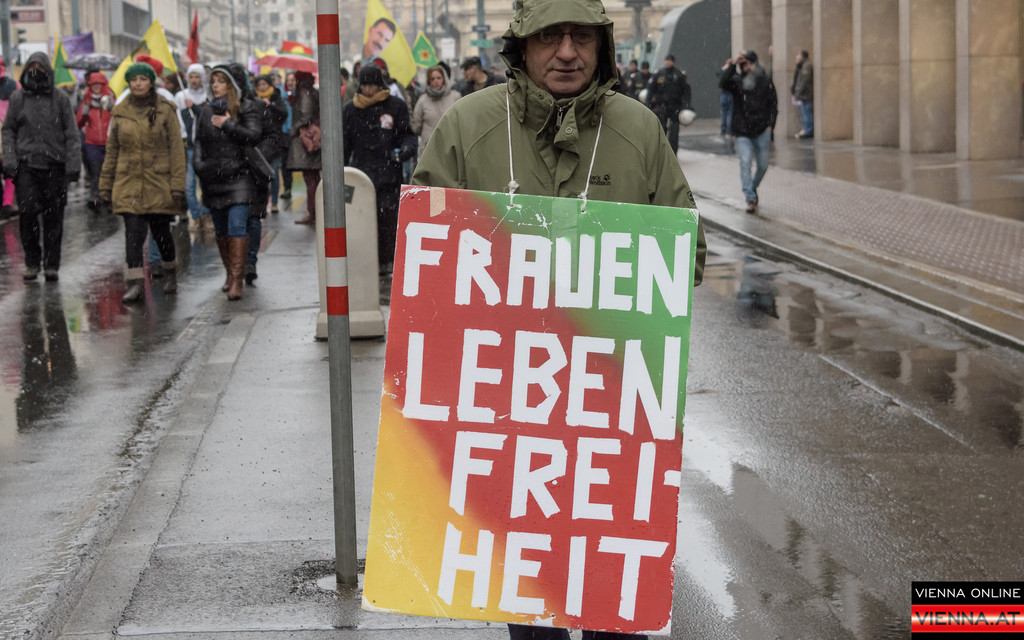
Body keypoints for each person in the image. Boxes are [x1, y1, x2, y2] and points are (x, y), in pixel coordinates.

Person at [413, 0, 706, 635]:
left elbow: (689, 255)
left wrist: (611, 271)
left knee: (611, 599)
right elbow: (426, 259)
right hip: (511, 413)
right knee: (530, 596)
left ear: (602, 47)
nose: (567, 53)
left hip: (611, 412)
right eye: (551, 36)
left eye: (581, 38)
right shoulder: (467, 126)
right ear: (522, 44)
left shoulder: (639, 130)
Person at [98, 61, 187, 303]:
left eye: (143, 79)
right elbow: (112, 151)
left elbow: (176, 150)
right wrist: (105, 184)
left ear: (151, 82)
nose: (138, 84)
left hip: (158, 181)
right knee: (133, 236)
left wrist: (178, 185)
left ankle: (169, 272)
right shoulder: (120, 111)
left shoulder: (165, 110)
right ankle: (136, 284)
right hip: (128, 181)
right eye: (134, 80)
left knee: (161, 233)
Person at [2, 52, 81, 282]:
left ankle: (51, 264)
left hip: (55, 167)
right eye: (31, 66)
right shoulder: (18, 98)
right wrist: (10, 160)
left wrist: (73, 164)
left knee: (54, 217)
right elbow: (8, 131)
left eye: (40, 66)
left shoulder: (60, 99)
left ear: (47, 70)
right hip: (26, 166)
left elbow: (71, 134)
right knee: (27, 215)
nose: (35, 70)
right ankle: (32, 262)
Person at [193, 63, 262, 300]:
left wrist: (228, 124)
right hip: (213, 178)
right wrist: (199, 165)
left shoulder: (246, 108)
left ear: (231, 85)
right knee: (221, 231)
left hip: (240, 177)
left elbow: (253, 136)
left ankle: (237, 280)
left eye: (221, 81)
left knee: (237, 227)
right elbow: (199, 141)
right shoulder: (206, 111)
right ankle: (229, 273)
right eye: (213, 81)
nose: (215, 86)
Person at [342, 63, 416, 274]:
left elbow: (407, 135)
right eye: (364, 85)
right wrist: (343, 173)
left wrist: (404, 150)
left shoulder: (395, 106)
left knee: (387, 219)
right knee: (361, 219)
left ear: (380, 84)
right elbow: (344, 145)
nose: (368, 90)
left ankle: (386, 261)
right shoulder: (350, 109)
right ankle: (364, 260)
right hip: (361, 173)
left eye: (372, 85)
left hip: (388, 173)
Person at [719, 50, 777, 214]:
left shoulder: (764, 80)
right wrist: (733, 64)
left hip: (762, 129)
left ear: (754, 62)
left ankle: (751, 187)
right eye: (744, 64)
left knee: (763, 165)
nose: (747, 66)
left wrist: (770, 125)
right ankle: (750, 198)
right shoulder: (737, 81)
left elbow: (773, 104)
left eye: (749, 63)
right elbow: (722, 83)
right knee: (745, 163)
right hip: (742, 131)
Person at [247, 73, 289, 284]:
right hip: (249, 161)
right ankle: (240, 266)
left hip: (270, 150)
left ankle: (274, 201)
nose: (262, 86)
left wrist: (269, 106)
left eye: (265, 83)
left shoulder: (275, 98)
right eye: (259, 84)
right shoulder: (249, 102)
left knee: (272, 173)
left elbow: (282, 116)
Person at [175, 63, 214, 232]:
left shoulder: (209, 96)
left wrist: (197, 108)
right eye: (191, 77)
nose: (194, 80)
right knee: (189, 186)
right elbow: (178, 121)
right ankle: (196, 216)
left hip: (206, 147)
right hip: (189, 147)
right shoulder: (181, 96)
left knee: (207, 184)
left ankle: (207, 215)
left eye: (197, 76)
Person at [285, 70, 321, 225]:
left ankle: (312, 212)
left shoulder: (304, 93)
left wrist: (293, 129)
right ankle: (315, 210)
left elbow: (306, 115)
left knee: (310, 178)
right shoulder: (311, 91)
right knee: (313, 177)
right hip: (313, 139)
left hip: (306, 139)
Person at [76, 72, 113, 212]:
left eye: (99, 84)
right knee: (95, 172)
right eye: (93, 84)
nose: (96, 87)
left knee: (109, 172)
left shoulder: (110, 101)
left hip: (109, 143)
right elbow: (78, 123)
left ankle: (108, 197)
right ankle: (95, 198)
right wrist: (84, 113)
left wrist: (112, 109)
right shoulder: (86, 102)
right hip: (92, 142)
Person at [410, 64, 460, 160]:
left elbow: (460, 122)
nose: (436, 81)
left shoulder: (455, 97)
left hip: (450, 147)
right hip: (429, 148)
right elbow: (416, 126)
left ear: (444, 79)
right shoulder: (423, 100)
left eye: (439, 78)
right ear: (429, 81)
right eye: (432, 79)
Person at [647, 54, 690, 154]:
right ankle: (661, 154)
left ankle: (673, 154)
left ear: (673, 62)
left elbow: (686, 91)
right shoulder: (659, 74)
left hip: (675, 106)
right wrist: (648, 103)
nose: (667, 62)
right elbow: (651, 89)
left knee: (674, 132)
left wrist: (685, 106)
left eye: (669, 60)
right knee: (661, 131)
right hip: (661, 106)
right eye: (666, 60)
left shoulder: (679, 75)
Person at [0, 55, 19, 220]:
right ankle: (6, 203)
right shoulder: (13, 85)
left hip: (6, 134)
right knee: (10, 172)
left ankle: (5, 204)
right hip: (11, 134)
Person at [280, 71, 297, 199]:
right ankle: (287, 188)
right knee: (285, 163)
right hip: (284, 133)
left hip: (297, 134)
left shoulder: (300, 96)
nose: (290, 82)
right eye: (288, 80)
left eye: (293, 80)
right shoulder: (282, 96)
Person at [791, 49, 814, 139]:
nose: (797, 57)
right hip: (802, 95)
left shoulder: (806, 65)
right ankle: (805, 129)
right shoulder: (801, 66)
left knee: (806, 113)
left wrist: (798, 91)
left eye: (799, 55)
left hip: (805, 95)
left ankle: (808, 130)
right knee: (803, 113)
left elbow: (804, 80)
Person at [715, 58, 734, 138]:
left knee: (724, 114)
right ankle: (728, 132)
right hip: (730, 95)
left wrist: (723, 69)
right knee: (729, 114)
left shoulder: (724, 74)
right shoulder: (732, 73)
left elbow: (718, 73)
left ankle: (723, 131)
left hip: (724, 95)